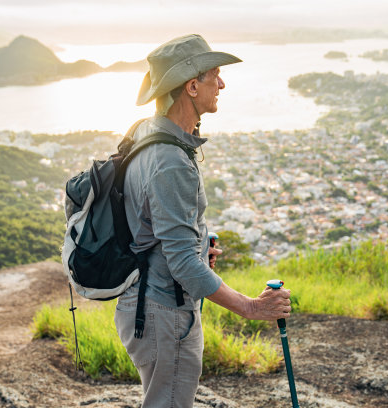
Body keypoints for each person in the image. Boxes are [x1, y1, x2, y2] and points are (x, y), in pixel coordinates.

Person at [114, 34, 292, 408]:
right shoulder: (170, 160)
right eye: (215, 75)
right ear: (192, 86)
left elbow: (154, 227)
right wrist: (252, 308)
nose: (222, 84)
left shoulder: (149, 134)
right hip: (164, 312)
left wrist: (198, 246)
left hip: (149, 302)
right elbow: (180, 262)